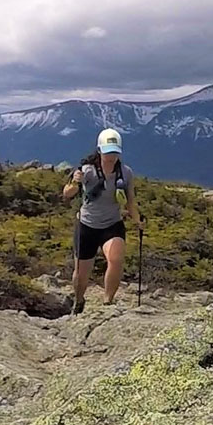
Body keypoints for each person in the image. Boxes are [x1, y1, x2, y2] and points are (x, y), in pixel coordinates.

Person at [61, 127, 142, 314]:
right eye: (107, 152)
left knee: (116, 260)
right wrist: (75, 181)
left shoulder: (126, 173)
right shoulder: (87, 171)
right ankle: (79, 300)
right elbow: (67, 194)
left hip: (112, 224)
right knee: (81, 274)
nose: (111, 156)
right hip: (86, 226)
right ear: (99, 151)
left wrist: (137, 220)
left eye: (114, 152)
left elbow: (130, 200)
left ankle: (108, 303)